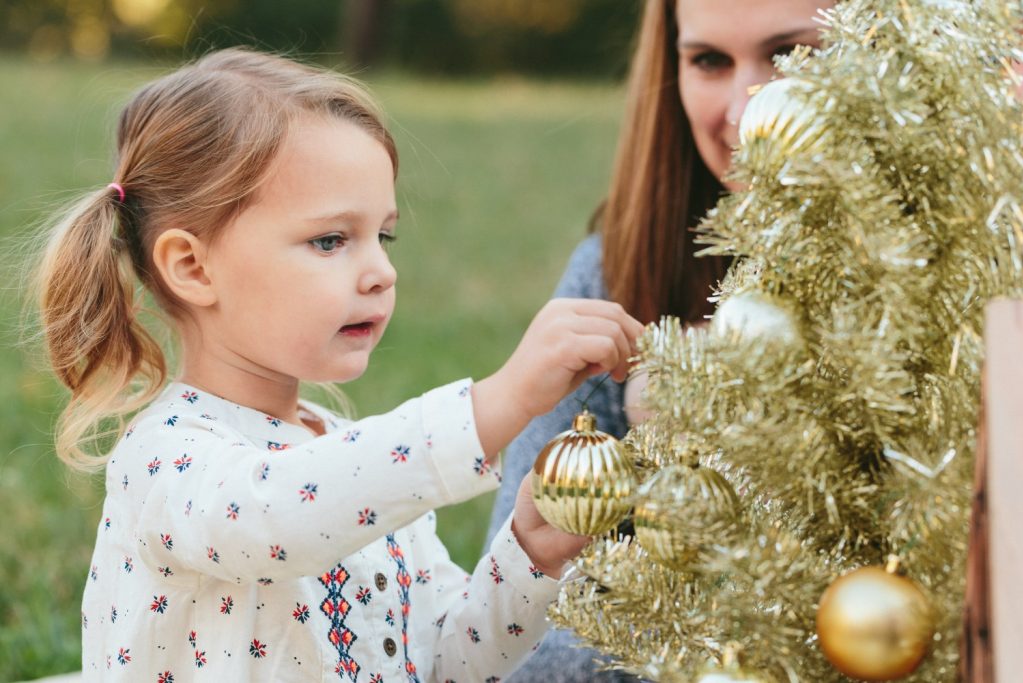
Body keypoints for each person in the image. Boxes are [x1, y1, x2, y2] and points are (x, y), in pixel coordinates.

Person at [34, 48, 645, 681]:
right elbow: (279, 517)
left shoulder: (355, 458)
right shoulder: (166, 458)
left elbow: (443, 662)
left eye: (383, 236)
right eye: (330, 240)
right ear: (193, 267)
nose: (381, 272)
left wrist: (526, 560)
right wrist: (498, 404)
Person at [485, 0, 834, 680]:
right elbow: (520, 637)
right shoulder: (616, 275)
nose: (744, 110)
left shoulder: (976, 272)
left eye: (792, 56)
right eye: (708, 60)